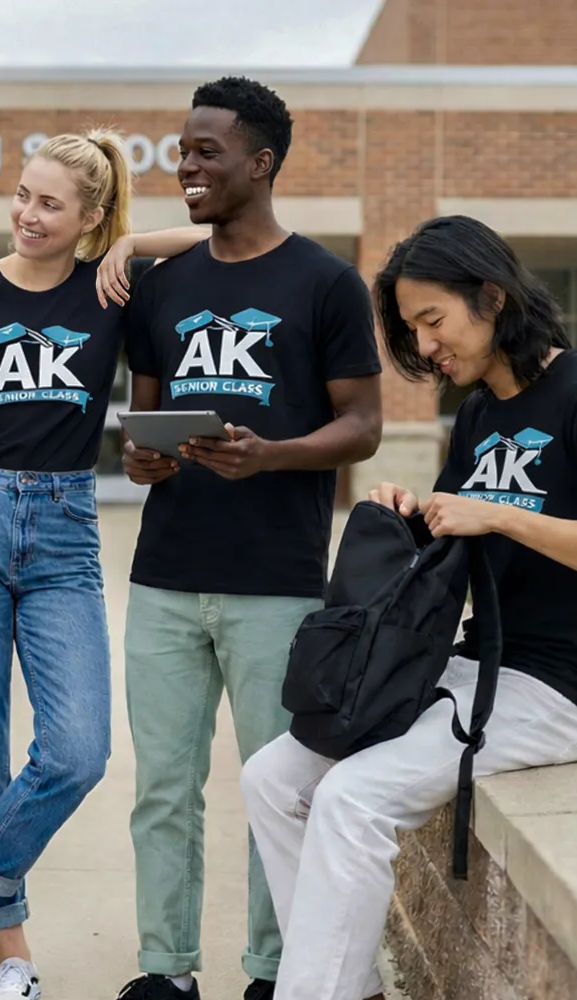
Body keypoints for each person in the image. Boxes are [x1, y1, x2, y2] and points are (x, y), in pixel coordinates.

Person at [0, 128, 208, 1000]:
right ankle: (16, 964)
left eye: (49, 203)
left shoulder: (113, 288)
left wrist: (131, 245)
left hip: (66, 526)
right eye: (23, 195)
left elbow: (221, 243)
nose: (27, 214)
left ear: (89, 216)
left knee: (77, 751)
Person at [240, 214, 577, 1000]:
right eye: (412, 328)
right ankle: (341, 988)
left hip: (559, 685)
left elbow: (498, 520)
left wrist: (495, 514)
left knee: (353, 799)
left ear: (490, 296)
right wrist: (410, 519)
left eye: (433, 321)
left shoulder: (572, 393)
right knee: (272, 779)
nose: (425, 348)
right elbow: (455, 552)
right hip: (473, 665)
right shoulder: (480, 416)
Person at [115, 77, 383, 1000]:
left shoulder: (326, 283)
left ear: (260, 163)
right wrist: (142, 461)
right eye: (181, 150)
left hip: (278, 582)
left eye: (205, 152)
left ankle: (276, 973)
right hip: (164, 576)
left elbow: (364, 425)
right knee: (163, 791)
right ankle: (166, 969)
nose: (185, 166)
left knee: (279, 791)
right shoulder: (164, 284)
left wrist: (272, 456)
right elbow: (140, 425)